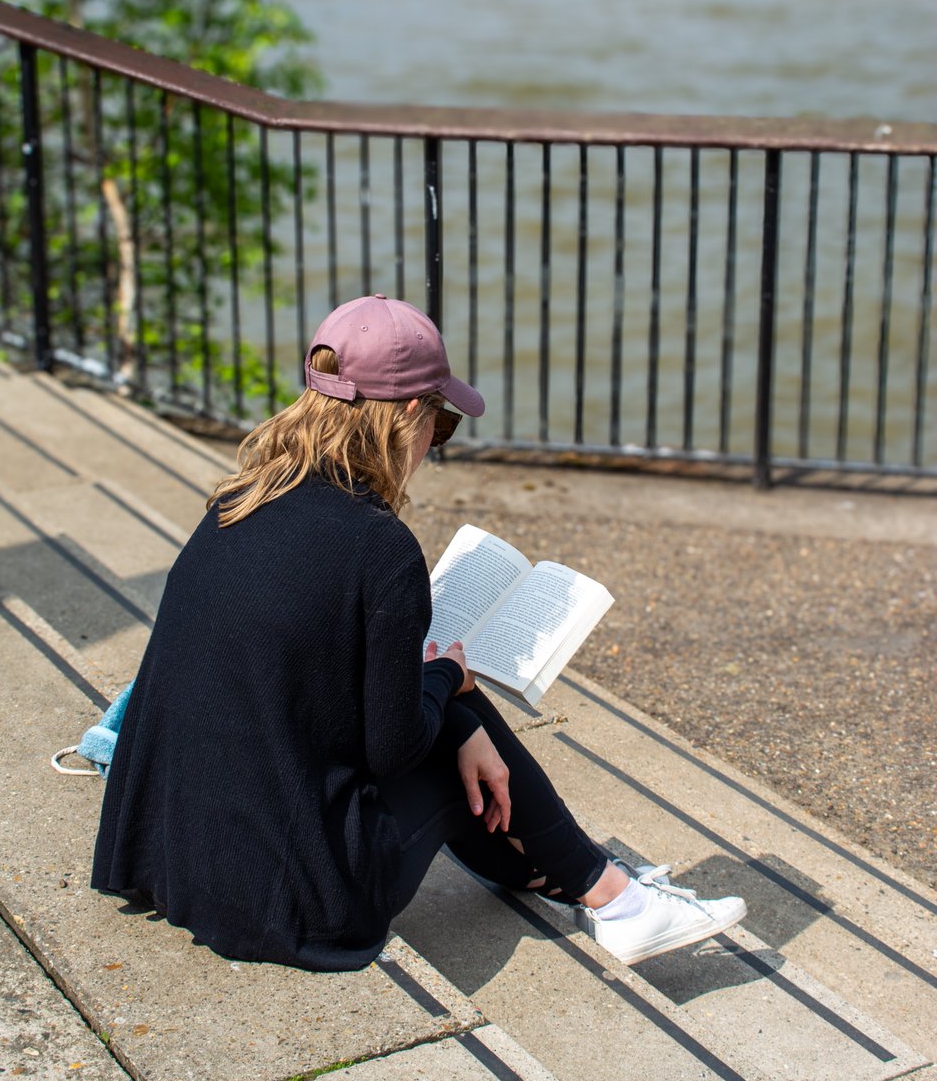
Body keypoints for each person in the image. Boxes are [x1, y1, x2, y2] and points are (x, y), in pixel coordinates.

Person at [92, 293, 746, 971]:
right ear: (409, 412)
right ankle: (617, 900)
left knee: (451, 710)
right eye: (442, 421)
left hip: (171, 857)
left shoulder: (237, 500)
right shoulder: (379, 548)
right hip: (291, 903)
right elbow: (393, 749)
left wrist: (439, 691)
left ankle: (576, 880)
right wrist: (450, 687)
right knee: (457, 712)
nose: (437, 442)